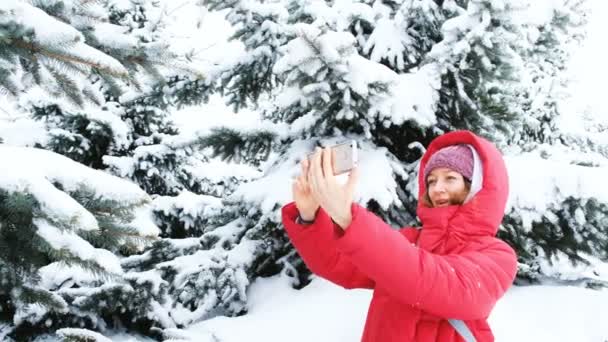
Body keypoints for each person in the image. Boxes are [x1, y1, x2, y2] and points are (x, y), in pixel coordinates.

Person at [281, 130, 518, 342]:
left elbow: (438, 282)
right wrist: (309, 216)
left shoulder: (497, 255)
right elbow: (338, 263)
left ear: (475, 186)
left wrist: (349, 219)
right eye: (431, 180)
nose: (437, 188)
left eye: (450, 178)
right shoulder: (409, 240)